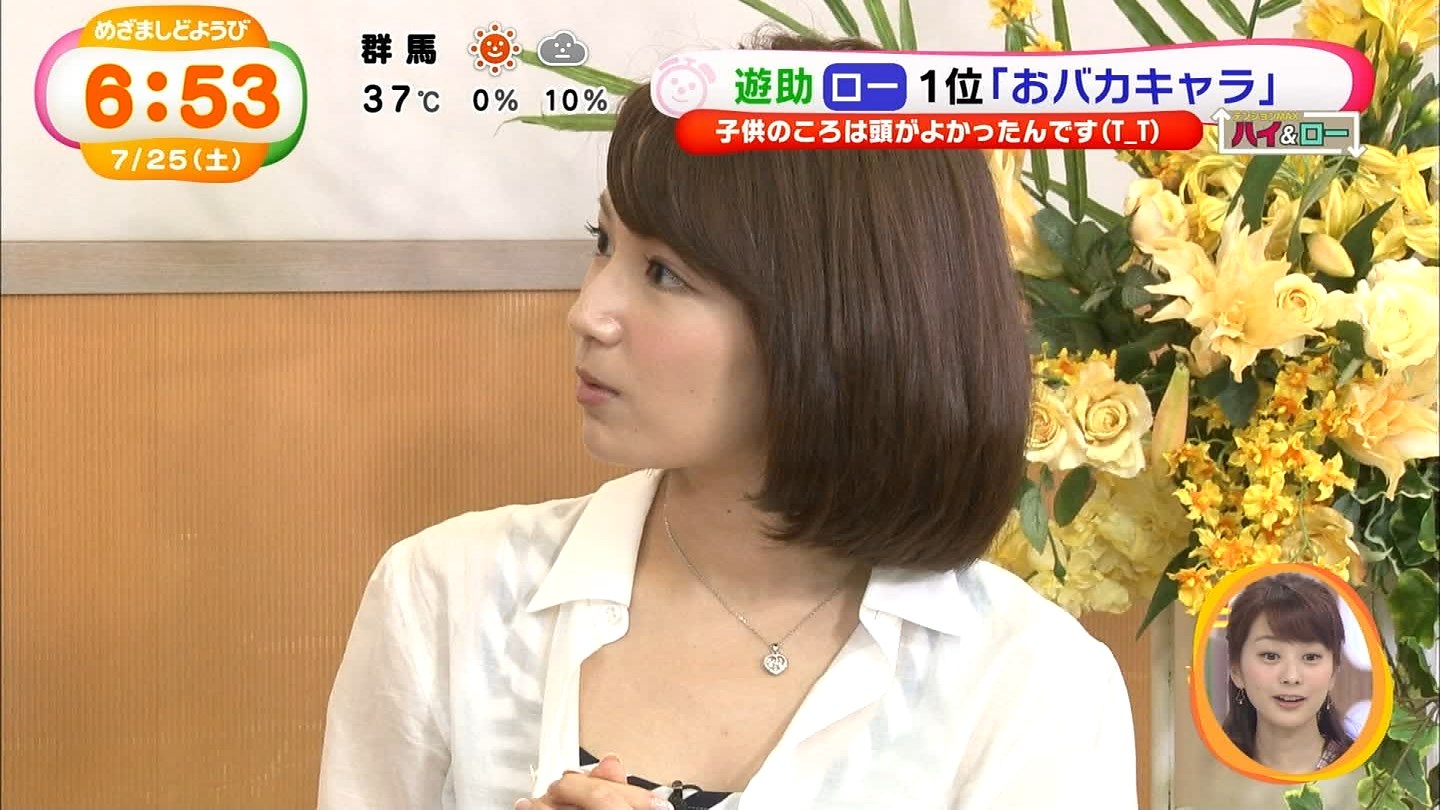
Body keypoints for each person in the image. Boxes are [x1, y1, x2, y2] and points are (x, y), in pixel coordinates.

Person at [316, 29, 1138, 810]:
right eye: (602, 242)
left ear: (843, 320)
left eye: (664, 274)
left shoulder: (1029, 683)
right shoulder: (446, 596)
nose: (589, 312)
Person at [1222, 572, 1355, 774]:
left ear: (1334, 673)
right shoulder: (1208, 772)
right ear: (1236, 670)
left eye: (1310, 657)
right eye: (1270, 656)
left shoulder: (1370, 775)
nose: (1291, 677)